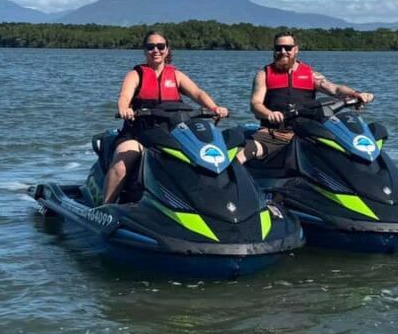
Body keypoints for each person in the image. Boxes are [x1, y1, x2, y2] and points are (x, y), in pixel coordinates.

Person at [102, 31, 230, 204]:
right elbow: (125, 95)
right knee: (124, 160)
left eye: (160, 46)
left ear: (167, 50)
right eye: (150, 47)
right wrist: (125, 109)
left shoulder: (176, 75)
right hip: (139, 134)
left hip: (171, 135)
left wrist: (215, 108)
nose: (156, 50)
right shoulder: (136, 74)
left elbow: (198, 94)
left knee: (198, 157)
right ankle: (105, 207)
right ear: (144, 50)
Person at [237, 31, 375, 164]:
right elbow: (255, 104)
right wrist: (269, 114)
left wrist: (356, 94)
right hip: (275, 133)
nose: (283, 51)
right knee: (242, 155)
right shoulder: (264, 74)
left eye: (288, 48)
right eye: (279, 48)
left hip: (309, 132)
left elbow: (335, 89)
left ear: (296, 49)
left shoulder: (310, 74)